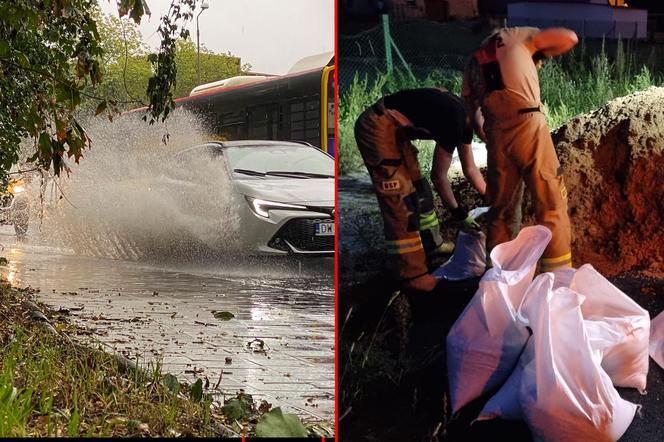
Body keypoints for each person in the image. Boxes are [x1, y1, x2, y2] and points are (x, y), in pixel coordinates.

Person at [462, 27, 578, 272]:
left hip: (496, 135)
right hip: (528, 125)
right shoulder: (518, 36)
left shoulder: (474, 59)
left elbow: (472, 115)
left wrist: (491, 134)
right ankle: (557, 282)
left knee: (501, 211)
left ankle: (499, 279)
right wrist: (539, 51)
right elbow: (569, 38)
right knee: (551, 204)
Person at [354, 88, 485, 293]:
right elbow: (439, 177)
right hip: (377, 127)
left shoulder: (466, 119)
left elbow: (470, 169)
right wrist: (458, 213)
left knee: (420, 188)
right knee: (401, 200)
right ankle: (413, 275)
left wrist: (491, 197)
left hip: (398, 132)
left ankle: (432, 245)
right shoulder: (455, 118)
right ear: (481, 112)